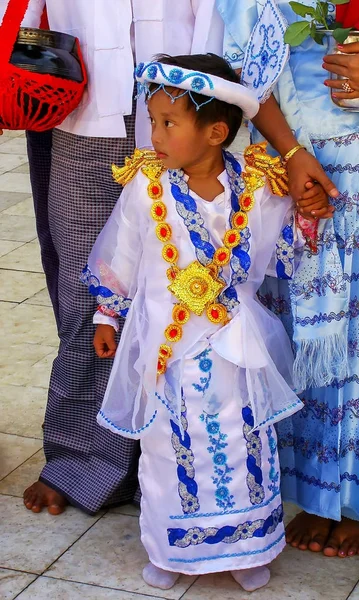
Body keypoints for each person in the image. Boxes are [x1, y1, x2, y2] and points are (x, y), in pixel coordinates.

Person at [217, 0, 359, 557]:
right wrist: (291, 153)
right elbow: (246, 58)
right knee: (297, 324)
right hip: (293, 148)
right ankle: (312, 497)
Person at [84, 52, 306, 592]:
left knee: (242, 438)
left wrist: (306, 210)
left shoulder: (255, 187)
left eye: (168, 123)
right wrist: (106, 316)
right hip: (168, 345)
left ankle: (246, 548)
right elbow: (124, 256)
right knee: (169, 444)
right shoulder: (146, 187)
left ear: (215, 132)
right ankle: (173, 551)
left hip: (235, 346)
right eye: (153, 121)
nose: (154, 135)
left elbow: (285, 251)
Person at [0, 0, 223, 515]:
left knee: (183, 283)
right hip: (83, 108)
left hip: (187, 114)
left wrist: (211, 101)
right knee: (89, 288)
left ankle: (176, 460)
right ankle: (81, 457)